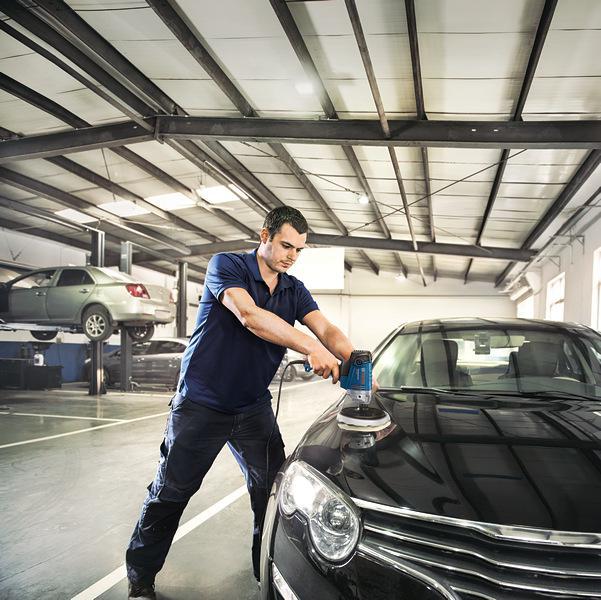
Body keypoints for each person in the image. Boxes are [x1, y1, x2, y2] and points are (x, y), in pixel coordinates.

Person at [125, 206, 355, 599]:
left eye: (299, 250)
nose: (291, 256)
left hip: (252, 408)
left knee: (270, 492)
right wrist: (310, 348)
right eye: (286, 245)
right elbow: (249, 315)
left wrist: (356, 360)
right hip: (201, 404)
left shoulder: (294, 289)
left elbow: (326, 328)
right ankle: (140, 578)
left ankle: (263, 567)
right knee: (170, 493)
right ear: (264, 235)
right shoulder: (226, 265)